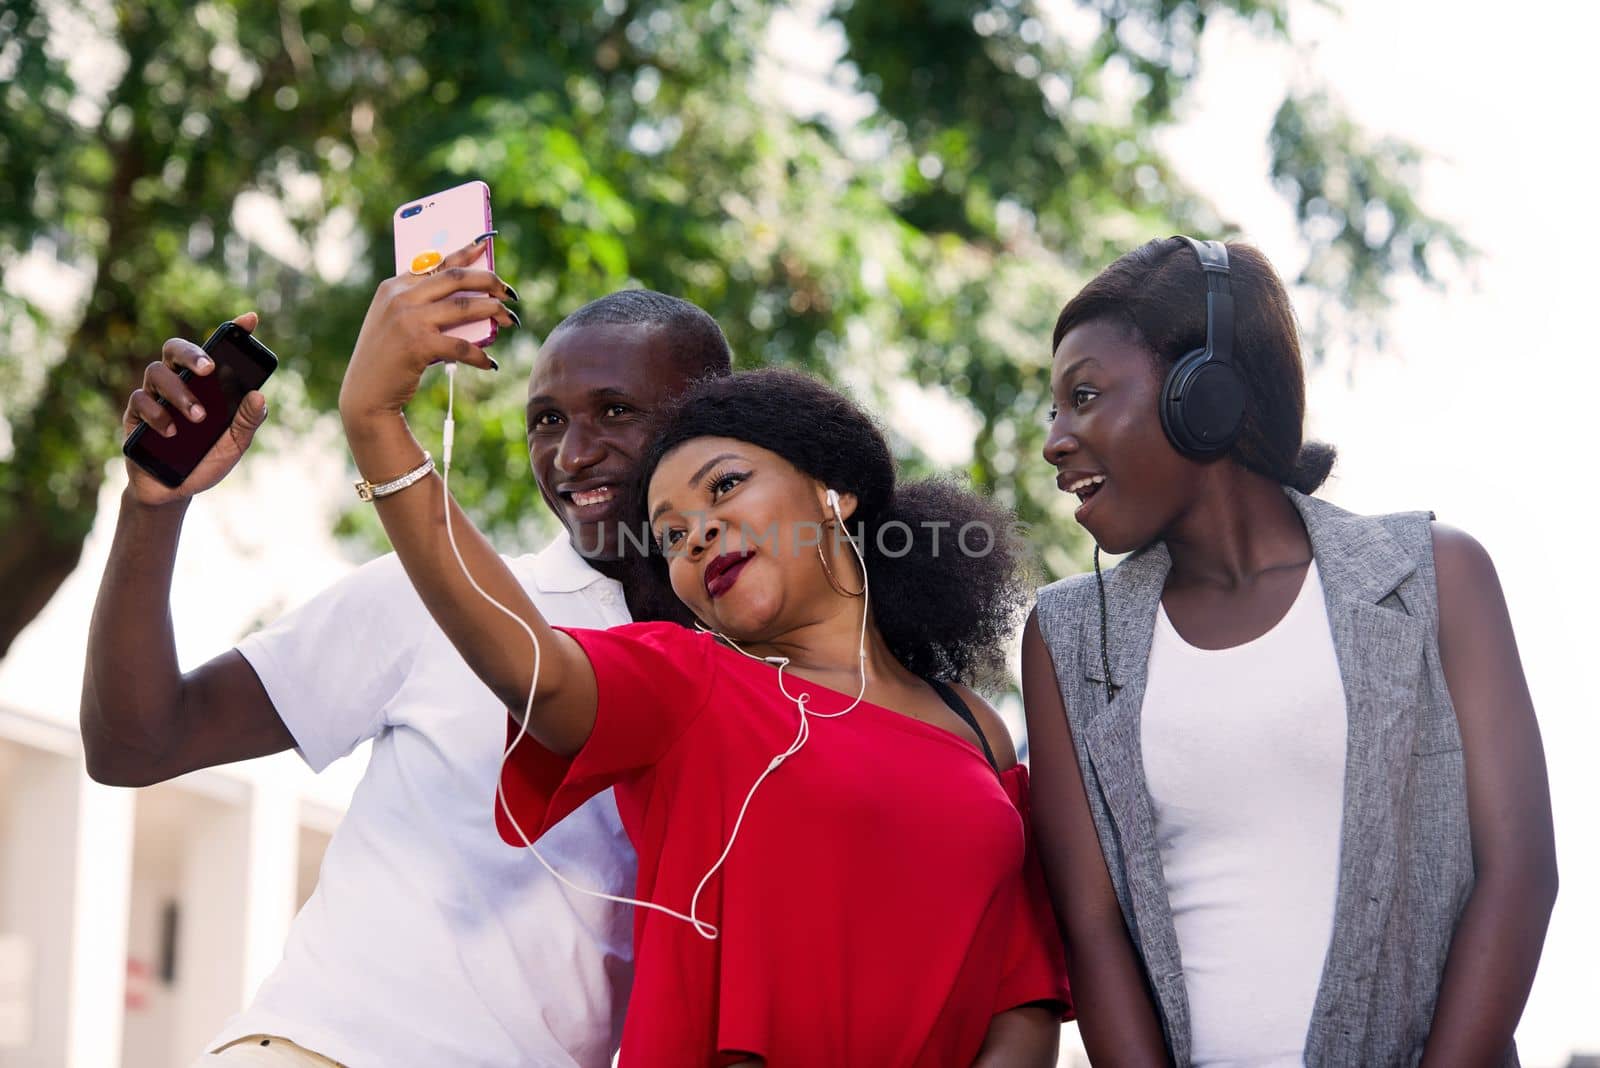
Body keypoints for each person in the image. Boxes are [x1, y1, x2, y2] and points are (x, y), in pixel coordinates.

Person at [335, 241, 1070, 1066]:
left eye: (725, 487)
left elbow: (1025, 996)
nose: (699, 533)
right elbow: (530, 666)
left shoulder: (976, 728)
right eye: (671, 535)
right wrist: (376, 425)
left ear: (833, 493)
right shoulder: (691, 683)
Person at [80, 243, 733, 1067]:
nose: (571, 456)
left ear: (716, 426)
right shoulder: (434, 588)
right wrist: (152, 508)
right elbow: (134, 744)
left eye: (617, 412)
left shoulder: (762, 682)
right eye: (547, 420)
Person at [1020, 236, 1556, 1067]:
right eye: (1054, 410)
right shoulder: (1067, 637)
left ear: (1204, 393)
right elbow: (1094, 935)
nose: (1055, 440)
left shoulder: (1434, 576)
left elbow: (1519, 874)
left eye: (1083, 396)